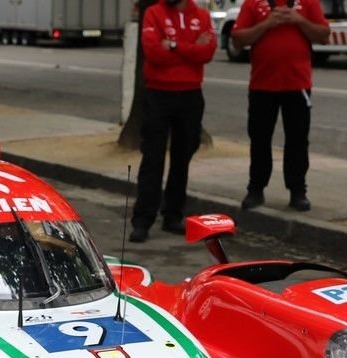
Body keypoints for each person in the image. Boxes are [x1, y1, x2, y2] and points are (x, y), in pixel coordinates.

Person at [129, 0, 216, 244]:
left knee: (182, 156)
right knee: (153, 157)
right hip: (158, 94)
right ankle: (142, 219)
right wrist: (189, 49)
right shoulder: (153, 13)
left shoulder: (201, 15)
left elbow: (207, 52)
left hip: (190, 95)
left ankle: (173, 214)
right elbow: (153, 52)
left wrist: (175, 46)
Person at [231, 0, 329, 212]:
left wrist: (299, 20)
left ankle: (297, 191)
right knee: (259, 138)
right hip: (262, 84)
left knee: (297, 139)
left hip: (297, 84)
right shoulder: (253, 4)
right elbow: (237, 39)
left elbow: (323, 35)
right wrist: (266, 24)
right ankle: (256, 188)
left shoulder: (307, 3)